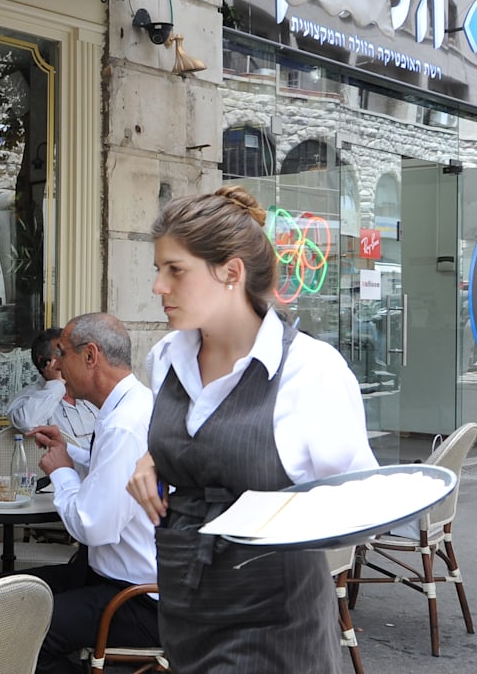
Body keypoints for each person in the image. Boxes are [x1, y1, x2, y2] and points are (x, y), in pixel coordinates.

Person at [125, 185, 377, 672]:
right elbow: (197, 438)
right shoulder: (165, 360)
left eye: (174, 270)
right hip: (185, 610)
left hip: (275, 622)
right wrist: (152, 457)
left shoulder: (310, 370)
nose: (159, 286)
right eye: (159, 270)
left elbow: (358, 502)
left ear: (231, 273)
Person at [20, 313, 158, 673]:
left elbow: (92, 526)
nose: (57, 366)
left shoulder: (124, 425)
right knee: (8, 593)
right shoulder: (133, 404)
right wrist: (72, 452)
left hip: (137, 597)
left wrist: (62, 472)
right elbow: (113, 474)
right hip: (114, 576)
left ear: (90, 356)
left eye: (61, 353)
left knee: (21, 631)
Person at [8, 327, 94, 465]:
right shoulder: (29, 397)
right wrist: (56, 384)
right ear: (44, 362)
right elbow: (28, 423)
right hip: (61, 477)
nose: (72, 359)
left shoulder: (87, 392)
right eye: (63, 353)